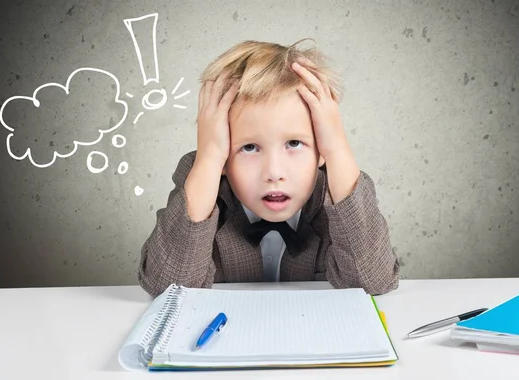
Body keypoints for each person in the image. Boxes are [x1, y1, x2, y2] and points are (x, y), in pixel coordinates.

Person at [138, 38, 400, 297]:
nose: (274, 173)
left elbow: (373, 282)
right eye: (249, 148)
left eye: (294, 143)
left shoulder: (339, 190)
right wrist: (209, 158)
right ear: (223, 158)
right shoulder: (201, 181)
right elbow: (167, 287)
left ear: (322, 147)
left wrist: (338, 150)